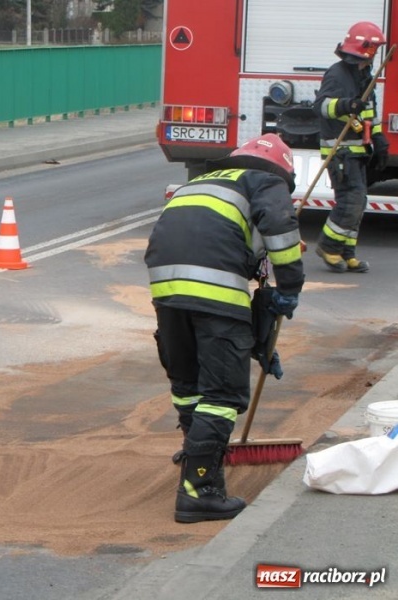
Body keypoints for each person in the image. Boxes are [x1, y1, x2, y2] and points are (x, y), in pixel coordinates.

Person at [144, 134, 305, 523]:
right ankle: (200, 492)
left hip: (166, 288)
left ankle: (197, 455)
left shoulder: (199, 183)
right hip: (215, 288)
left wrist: (257, 337)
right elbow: (281, 231)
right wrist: (289, 288)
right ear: (282, 172)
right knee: (223, 393)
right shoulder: (266, 182)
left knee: (189, 386)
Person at [313, 21, 388, 273]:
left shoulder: (364, 76)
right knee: (350, 201)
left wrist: (379, 140)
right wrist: (346, 105)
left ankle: (347, 253)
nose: (376, 54)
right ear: (364, 48)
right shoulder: (337, 74)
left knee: (359, 201)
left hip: (357, 151)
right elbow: (322, 107)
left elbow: (369, 114)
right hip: (340, 150)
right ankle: (328, 247)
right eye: (374, 49)